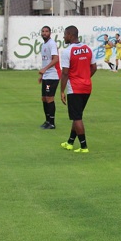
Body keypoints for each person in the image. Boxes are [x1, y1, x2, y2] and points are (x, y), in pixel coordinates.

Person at [59, 25, 96, 153]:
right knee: (77, 115)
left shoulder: (67, 51)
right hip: (87, 86)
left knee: (77, 117)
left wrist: (61, 91)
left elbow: (64, 73)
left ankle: (84, 146)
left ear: (70, 35)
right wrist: (85, 77)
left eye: (65, 34)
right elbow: (94, 67)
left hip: (75, 88)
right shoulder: (88, 49)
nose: (64, 37)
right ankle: (70, 142)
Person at [38, 26, 60, 129]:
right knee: (44, 98)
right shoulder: (44, 45)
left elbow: (55, 59)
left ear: (50, 33)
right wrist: (42, 75)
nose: (44, 33)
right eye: (43, 31)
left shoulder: (52, 44)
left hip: (53, 75)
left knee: (49, 98)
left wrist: (45, 69)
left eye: (46, 31)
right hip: (46, 75)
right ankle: (47, 121)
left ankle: (52, 122)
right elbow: (45, 61)